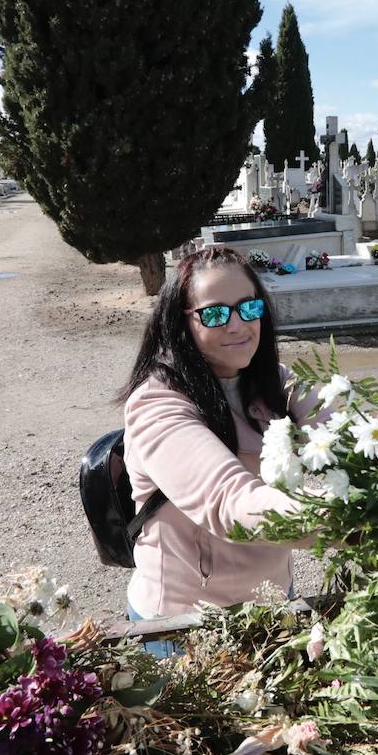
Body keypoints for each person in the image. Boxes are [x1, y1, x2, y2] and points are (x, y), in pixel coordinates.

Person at [119, 246, 320, 625]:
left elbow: (343, 427)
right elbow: (230, 503)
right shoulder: (156, 404)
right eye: (214, 314)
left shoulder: (275, 382)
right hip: (185, 624)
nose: (237, 325)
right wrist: (352, 520)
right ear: (181, 323)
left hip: (275, 602)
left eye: (249, 307)